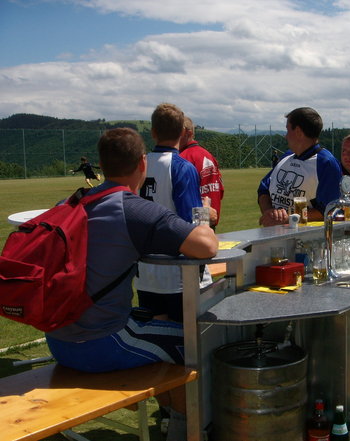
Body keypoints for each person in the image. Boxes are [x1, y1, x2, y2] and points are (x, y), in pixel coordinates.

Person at [45, 127, 218, 441]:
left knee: (159, 324)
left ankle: (168, 422)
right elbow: (207, 247)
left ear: (102, 164)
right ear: (142, 163)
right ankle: (187, 433)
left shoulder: (71, 202)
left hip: (58, 339)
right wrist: (204, 213)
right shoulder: (135, 209)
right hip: (99, 343)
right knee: (195, 342)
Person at [135, 103, 206, 323]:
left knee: (154, 336)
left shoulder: (138, 164)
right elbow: (190, 222)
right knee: (183, 341)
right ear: (183, 132)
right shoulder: (181, 167)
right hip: (176, 273)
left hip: (145, 270)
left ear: (153, 132)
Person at [257, 107, 342, 226]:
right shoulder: (287, 156)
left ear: (298, 132)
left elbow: (329, 209)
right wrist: (269, 212)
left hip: (306, 241)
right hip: (273, 237)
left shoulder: (326, 163)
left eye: (287, 130)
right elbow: (263, 189)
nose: (285, 136)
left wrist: (288, 218)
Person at [180, 116, 224, 228]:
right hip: (210, 223)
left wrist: (202, 219)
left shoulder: (182, 158)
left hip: (193, 226)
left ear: (187, 133)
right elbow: (220, 190)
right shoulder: (208, 155)